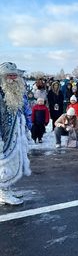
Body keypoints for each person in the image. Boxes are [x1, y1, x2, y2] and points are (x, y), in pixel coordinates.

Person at [0, 62, 32, 205]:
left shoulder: (16, 92)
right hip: (4, 136)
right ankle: (3, 192)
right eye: (10, 75)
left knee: (13, 162)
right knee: (4, 163)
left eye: (15, 75)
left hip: (15, 135)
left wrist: (26, 128)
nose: (13, 78)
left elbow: (22, 111)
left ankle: (7, 188)